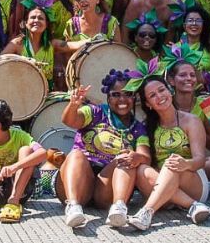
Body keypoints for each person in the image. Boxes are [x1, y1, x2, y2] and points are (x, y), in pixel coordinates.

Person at [56, 73, 150, 229]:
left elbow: (145, 157)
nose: (122, 99)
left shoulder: (138, 129)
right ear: (108, 97)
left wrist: (136, 157)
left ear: (135, 98)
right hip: (79, 178)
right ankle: (73, 206)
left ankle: (118, 208)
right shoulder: (95, 112)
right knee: (76, 154)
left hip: (105, 188)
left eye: (128, 94)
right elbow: (69, 121)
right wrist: (73, 105)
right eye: (116, 95)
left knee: (126, 157)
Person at [128, 75, 210, 231]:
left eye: (162, 90)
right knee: (141, 169)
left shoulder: (191, 120)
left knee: (172, 162)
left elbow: (200, 160)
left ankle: (146, 212)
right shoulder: (147, 127)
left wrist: (185, 164)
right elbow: (148, 161)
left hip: (192, 179)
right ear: (148, 104)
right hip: (163, 182)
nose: (159, 96)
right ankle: (192, 206)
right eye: (152, 95)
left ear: (170, 91)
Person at [3, 0, 56, 88]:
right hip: (20, 90)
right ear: (26, 23)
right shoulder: (17, 44)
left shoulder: (52, 44)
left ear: (46, 24)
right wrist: (19, 61)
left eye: (41, 18)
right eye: (33, 17)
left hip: (46, 92)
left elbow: (75, 45)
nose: (36, 20)